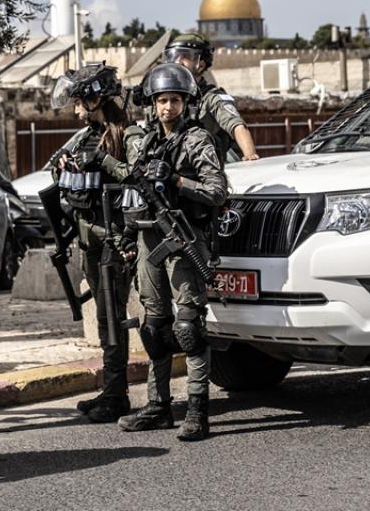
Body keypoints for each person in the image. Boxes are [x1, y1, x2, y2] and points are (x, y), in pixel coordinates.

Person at [117, 63, 227, 442]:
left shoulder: (197, 140)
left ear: (185, 103)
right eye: (162, 100)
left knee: (189, 327)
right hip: (149, 239)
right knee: (153, 326)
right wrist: (128, 235)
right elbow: (133, 187)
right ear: (153, 103)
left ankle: (197, 410)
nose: (168, 107)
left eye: (175, 100)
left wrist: (178, 180)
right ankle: (158, 406)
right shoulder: (147, 141)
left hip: (183, 238)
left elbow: (217, 191)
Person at [49, 63, 140, 423]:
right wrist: (64, 165)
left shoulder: (127, 134)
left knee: (112, 318)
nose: (75, 110)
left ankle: (117, 396)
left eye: (78, 102)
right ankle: (111, 389)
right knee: (104, 318)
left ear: (94, 99)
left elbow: (137, 177)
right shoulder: (88, 135)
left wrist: (102, 160)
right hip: (90, 239)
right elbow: (61, 172)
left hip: (115, 239)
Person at [161, 34, 259, 163]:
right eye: (174, 56)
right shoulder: (162, 99)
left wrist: (250, 156)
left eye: (185, 56)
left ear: (201, 65)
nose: (178, 61)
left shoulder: (211, 97)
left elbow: (237, 126)